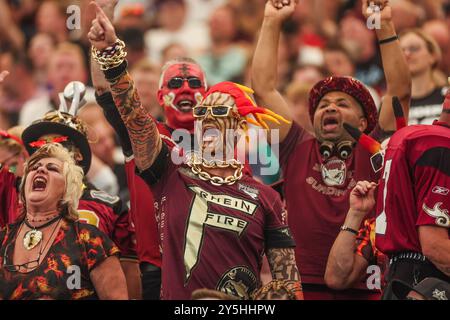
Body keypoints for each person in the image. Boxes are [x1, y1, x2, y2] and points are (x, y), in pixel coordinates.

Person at [88, 1, 303, 300]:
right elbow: (131, 111)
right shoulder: (167, 167)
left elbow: (288, 285)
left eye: (222, 115)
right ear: (162, 96)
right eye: (206, 114)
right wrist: (111, 53)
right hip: (160, 278)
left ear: (239, 126)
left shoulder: (264, 194)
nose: (210, 119)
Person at [252, 0, 411, 299]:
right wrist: (272, 21)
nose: (330, 108)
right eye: (323, 105)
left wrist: (383, 23)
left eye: (342, 104)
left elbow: (399, 92)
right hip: (300, 288)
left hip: (364, 287)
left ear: (364, 122)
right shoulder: (295, 146)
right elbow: (263, 89)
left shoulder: (377, 150)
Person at [89, 0, 208, 299]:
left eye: (193, 83)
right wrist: (103, 40)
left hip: (211, 269)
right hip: (154, 271)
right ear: (159, 95)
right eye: (176, 83)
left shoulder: (224, 144)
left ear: (207, 95)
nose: (184, 90)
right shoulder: (141, 135)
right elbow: (106, 93)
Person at [0, 143, 128, 300]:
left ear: (68, 189)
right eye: (33, 168)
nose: (40, 170)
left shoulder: (89, 240)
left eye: (52, 168)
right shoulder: (3, 239)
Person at [373, 97, 450, 299]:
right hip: (426, 280)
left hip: (401, 276)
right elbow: (435, 246)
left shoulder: (413, 136)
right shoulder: (442, 145)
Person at [400, 29, 448, 124]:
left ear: (432, 56)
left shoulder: (448, 96)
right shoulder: (391, 103)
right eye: (401, 50)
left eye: (414, 48)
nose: (407, 54)